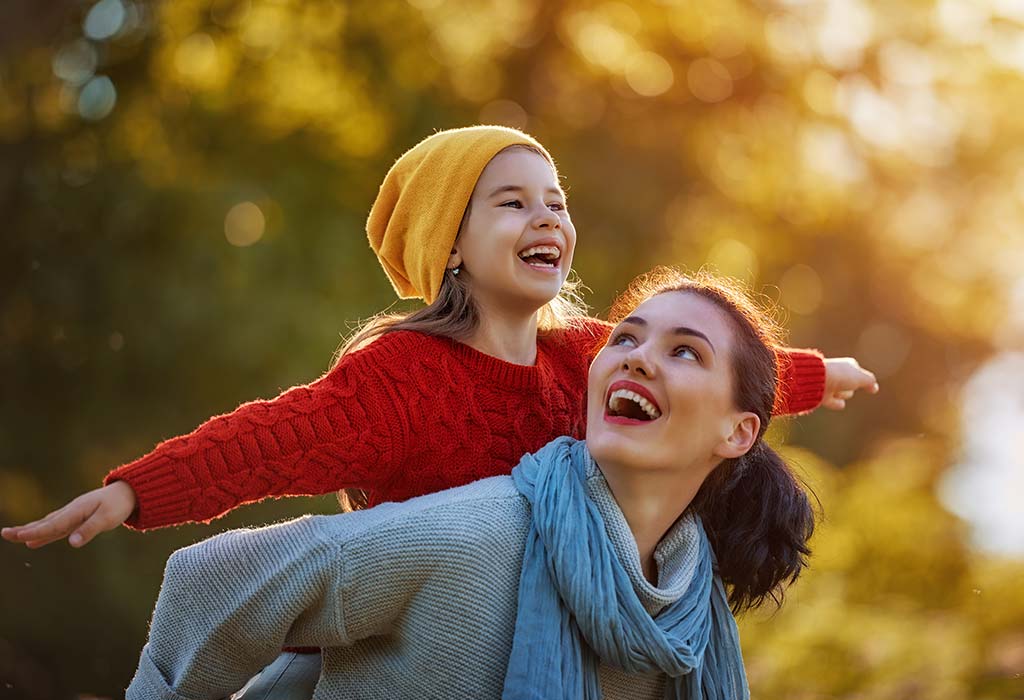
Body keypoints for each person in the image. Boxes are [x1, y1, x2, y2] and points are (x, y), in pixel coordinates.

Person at [1, 126, 874, 551]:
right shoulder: (401, 379)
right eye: (513, 202)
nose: (547, 218)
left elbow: (699, 372)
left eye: (556, 202)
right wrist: (137, 493)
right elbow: (268, 441)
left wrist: (812, 374)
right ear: (449, 244)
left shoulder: (587, 354)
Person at [127, 269, 816, 700]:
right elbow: (209, 581)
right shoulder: (477, 535)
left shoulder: (689, 621)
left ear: (738, 434)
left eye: (683, 351)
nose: (637, 360)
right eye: (626, 339)